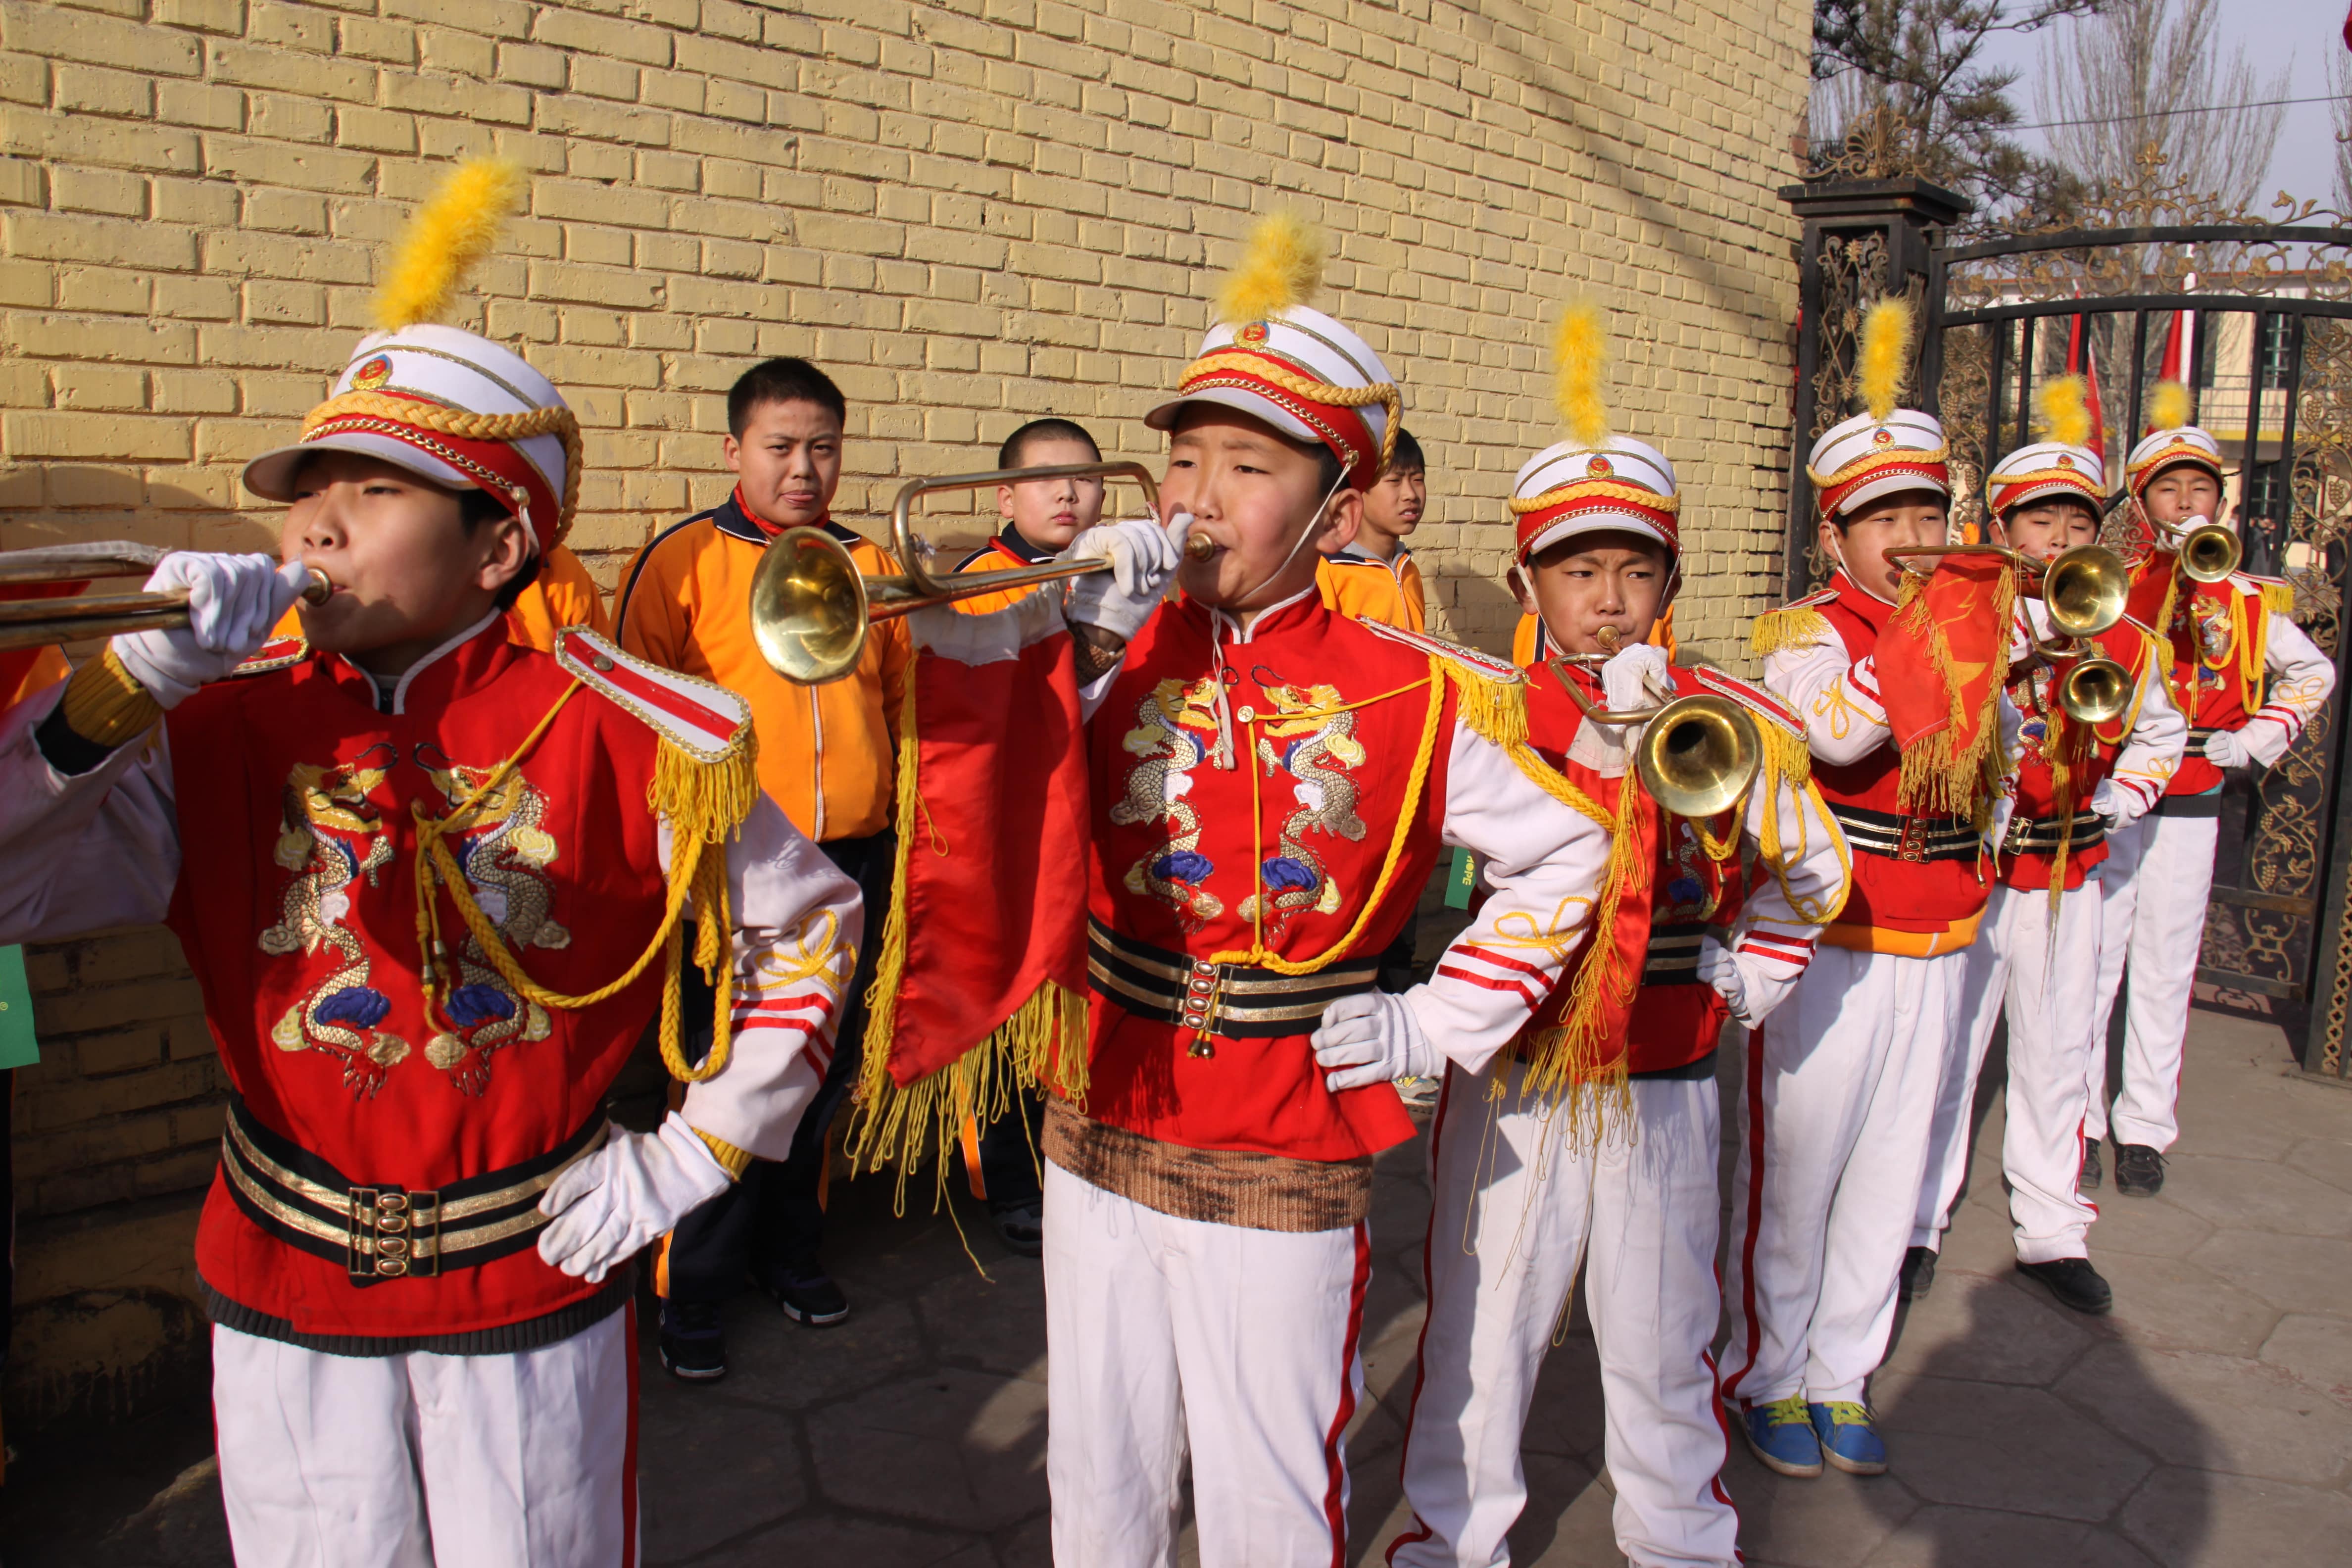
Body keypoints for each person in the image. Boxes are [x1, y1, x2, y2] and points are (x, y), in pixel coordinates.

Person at [0, 162, 862, 1564]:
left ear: (500, 543)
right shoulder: (209, 725)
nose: (317, 524)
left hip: (528, 1288)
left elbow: (809, 928)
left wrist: (699, 1150)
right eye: (308, 490)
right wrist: (114, 695)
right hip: (284, 1289)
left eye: (376, 489)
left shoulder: (631, 731)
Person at [892, 214, 1620, 1566]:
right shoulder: (1090, 637)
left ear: (1337, 501)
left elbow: (1569, 852)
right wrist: (1077, 636)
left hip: (1290, 1120)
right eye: (1182, 458)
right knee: (1099, 1467)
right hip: (1104, 1093)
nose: (1198, 496)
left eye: (1248, 464)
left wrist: (1432, 1023)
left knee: (1267, 1487)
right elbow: (975, 805)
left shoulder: (1418, 689)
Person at [1387, 408, 1850, 1568]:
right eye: (1577, 571)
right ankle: (1453, 1536)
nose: (1606, 598)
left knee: (1660, 1332)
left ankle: (1680, 1539)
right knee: (1484, 1327)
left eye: (1633, 571)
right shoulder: (1480, 705)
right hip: (1521, 1074)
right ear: (1523, 582)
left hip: (1665, 1070)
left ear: (1668, 582)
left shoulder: (1732, 715)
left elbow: (1812, 868)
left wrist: (1746, 974)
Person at [1724, 309, 1999, 1479]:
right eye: (1884, 518)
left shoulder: (1971, 630)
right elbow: (1835, 738)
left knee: (1888, 1172)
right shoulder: (1801, 630)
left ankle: (1838, 1371)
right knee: (1795, 1169)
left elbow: (2009, 767)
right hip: (1831, 929)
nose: (1912, 537)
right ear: (1836, 532)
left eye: (1927, 514)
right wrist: (1940, 631)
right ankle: (1762, 1369)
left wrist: (2000, 662)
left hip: (1941, 930)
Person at [617, 357, 910, 1373]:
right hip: (729, 873)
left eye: (823, 448)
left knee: (816, 1075)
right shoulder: (682, 562)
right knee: (716, 1076)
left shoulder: (872, 560)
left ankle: (792, 1255)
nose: (804, 470)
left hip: (855, 857)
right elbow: (636, 718)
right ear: (734, 450)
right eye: (781, 448)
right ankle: (690, 1287)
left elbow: (903, 708)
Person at [1909, 420, 2184, 1318]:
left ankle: (2052, 1226)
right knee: (1948, 1049)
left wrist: (2125, 799)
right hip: (1982, 867)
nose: (2059, 538)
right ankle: (1914, 1219)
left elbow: (2160, 736)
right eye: (2038, 521)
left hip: (2071, 865)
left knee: (2060, 1050)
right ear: (2001, 527)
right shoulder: (1965, 623)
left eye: (2074, 520)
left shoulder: (2130, 635)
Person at [2085, 392, 2334, 1196]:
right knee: (2094, 960)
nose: (2185, 503)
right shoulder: (2113, 584)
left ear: (2219, 500)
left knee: (2164, 965)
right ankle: (2078, 1117)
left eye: (2198, 489)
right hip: (2122, 788)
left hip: (2193, 790)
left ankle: (2144, 1127)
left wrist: (2257, 740)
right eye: (2168, 490)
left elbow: (2313, 674)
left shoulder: (2253, 598)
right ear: (2143, 502)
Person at [944, 414, 1115, 1253]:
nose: (1068, 493)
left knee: (1071, 1002)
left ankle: (1069, 1156)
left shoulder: (1110, 573)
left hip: (1092, 821)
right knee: (1011, 1000)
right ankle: (1005, 1175)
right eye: (1047, 478)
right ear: (1006, 493)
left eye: (1084, 478)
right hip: (1011, 827)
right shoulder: (984, 580)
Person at [1317, 426, 1428, 631]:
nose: (1410, 494)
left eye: (1418, 480)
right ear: (1358, 490)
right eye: (1395, 480)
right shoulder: (1329, 571)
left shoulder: (1409, 572)